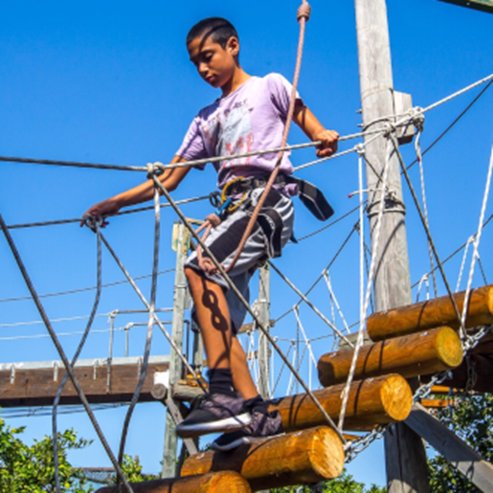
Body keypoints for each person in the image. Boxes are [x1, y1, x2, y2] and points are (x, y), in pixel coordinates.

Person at [82, 17, 338, 450]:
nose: (203, 69)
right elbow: (168, 179)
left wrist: (320, 135)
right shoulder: (206, 120)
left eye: (208, 57)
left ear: (232, 46)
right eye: (195, 63)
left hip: (266, 202)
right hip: (234, 210)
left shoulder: (268, 86)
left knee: (199, 266)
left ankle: (222, 395)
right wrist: (114, 204)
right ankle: (254, 414)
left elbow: (302, 115)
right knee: (217, 321)